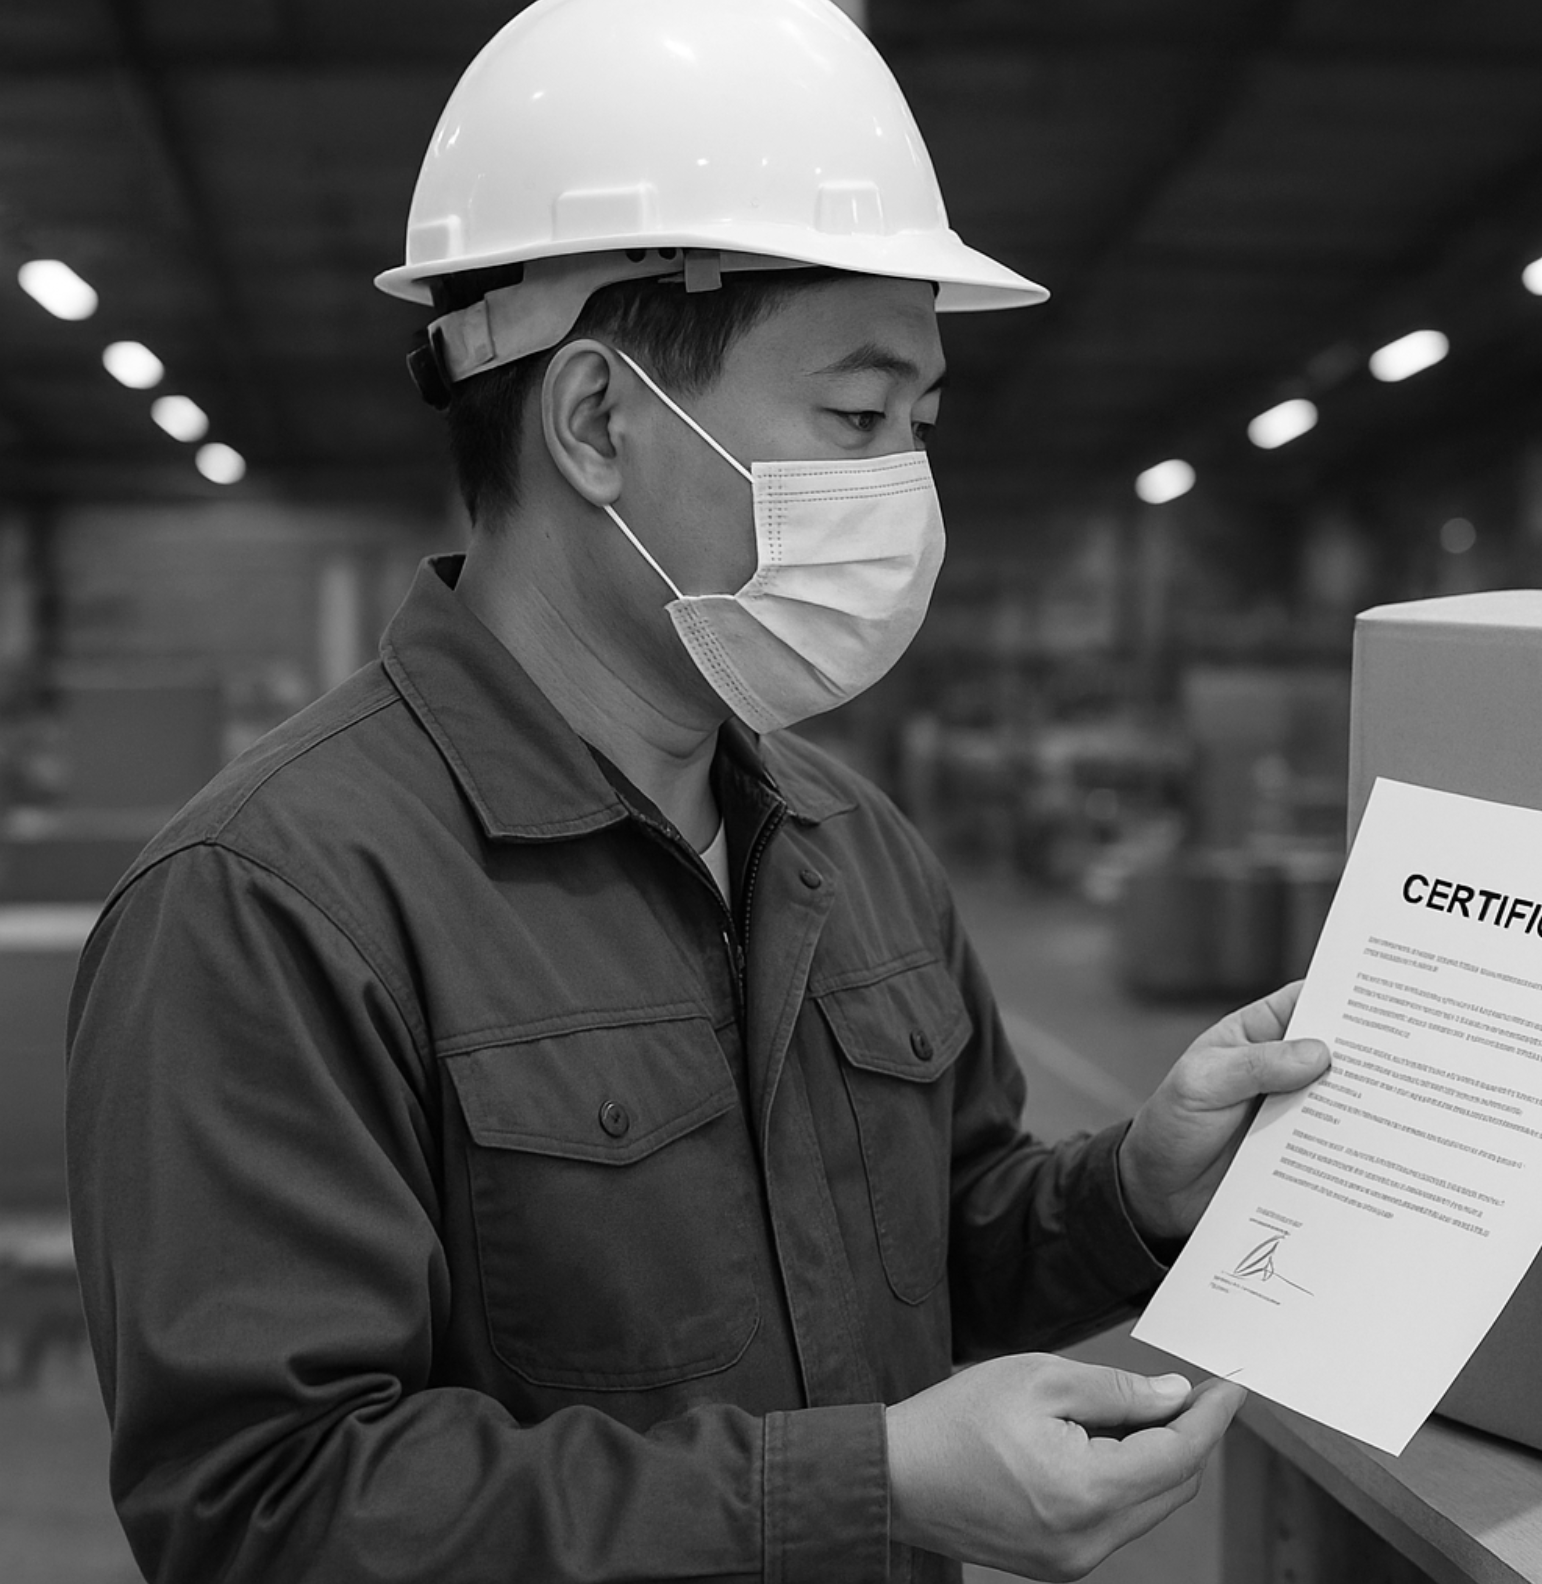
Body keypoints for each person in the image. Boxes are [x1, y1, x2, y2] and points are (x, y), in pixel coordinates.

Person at [63, 2, 1329, 1579]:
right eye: (855, 419)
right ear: (597, 421)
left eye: (921, 427)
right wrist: (860, 1486)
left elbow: (927, 1248)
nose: (905, 494)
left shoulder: (849, 847)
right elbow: (268, 1507)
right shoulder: (274, 904)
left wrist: (1133, 1188)